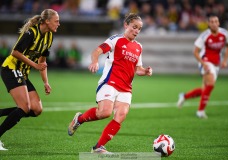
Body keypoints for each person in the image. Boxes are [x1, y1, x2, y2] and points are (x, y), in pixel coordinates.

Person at [68, 13, 152, 154]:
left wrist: (146, 71)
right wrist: (94, 61)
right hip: (110, 82)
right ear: (126, 25)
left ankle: (98, 147)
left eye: (139, 29)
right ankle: (80, 119)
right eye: (134, 27)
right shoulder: (116, 40)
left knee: (121, 115)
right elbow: (97, 51)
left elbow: (138, 70)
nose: (137, 31)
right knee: (105, 112)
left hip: (126, 88)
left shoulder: (139, 47)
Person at [0, 9, 60, 150]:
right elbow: (15, 52)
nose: (59, 24)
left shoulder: (49, 36)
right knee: (24, 107)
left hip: (23, 73)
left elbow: (42, 61)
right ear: (47, 21)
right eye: (56, 21)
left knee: (36, 109)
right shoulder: (31, 33)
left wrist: (45, 82)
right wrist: (34, 65)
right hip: (11, 69)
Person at [177, 14, 228, 119]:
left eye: (216, 21)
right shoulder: (204, 36)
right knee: (211, 84)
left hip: (216, 63)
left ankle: (184, 96)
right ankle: (200, 111)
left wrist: (225, 60)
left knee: (205, 90)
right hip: (206, 62)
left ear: (219, 23)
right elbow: (195, 52)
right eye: (212, 22)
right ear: (208, 24)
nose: (214, 24)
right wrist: (203, 63)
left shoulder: (224, 34)